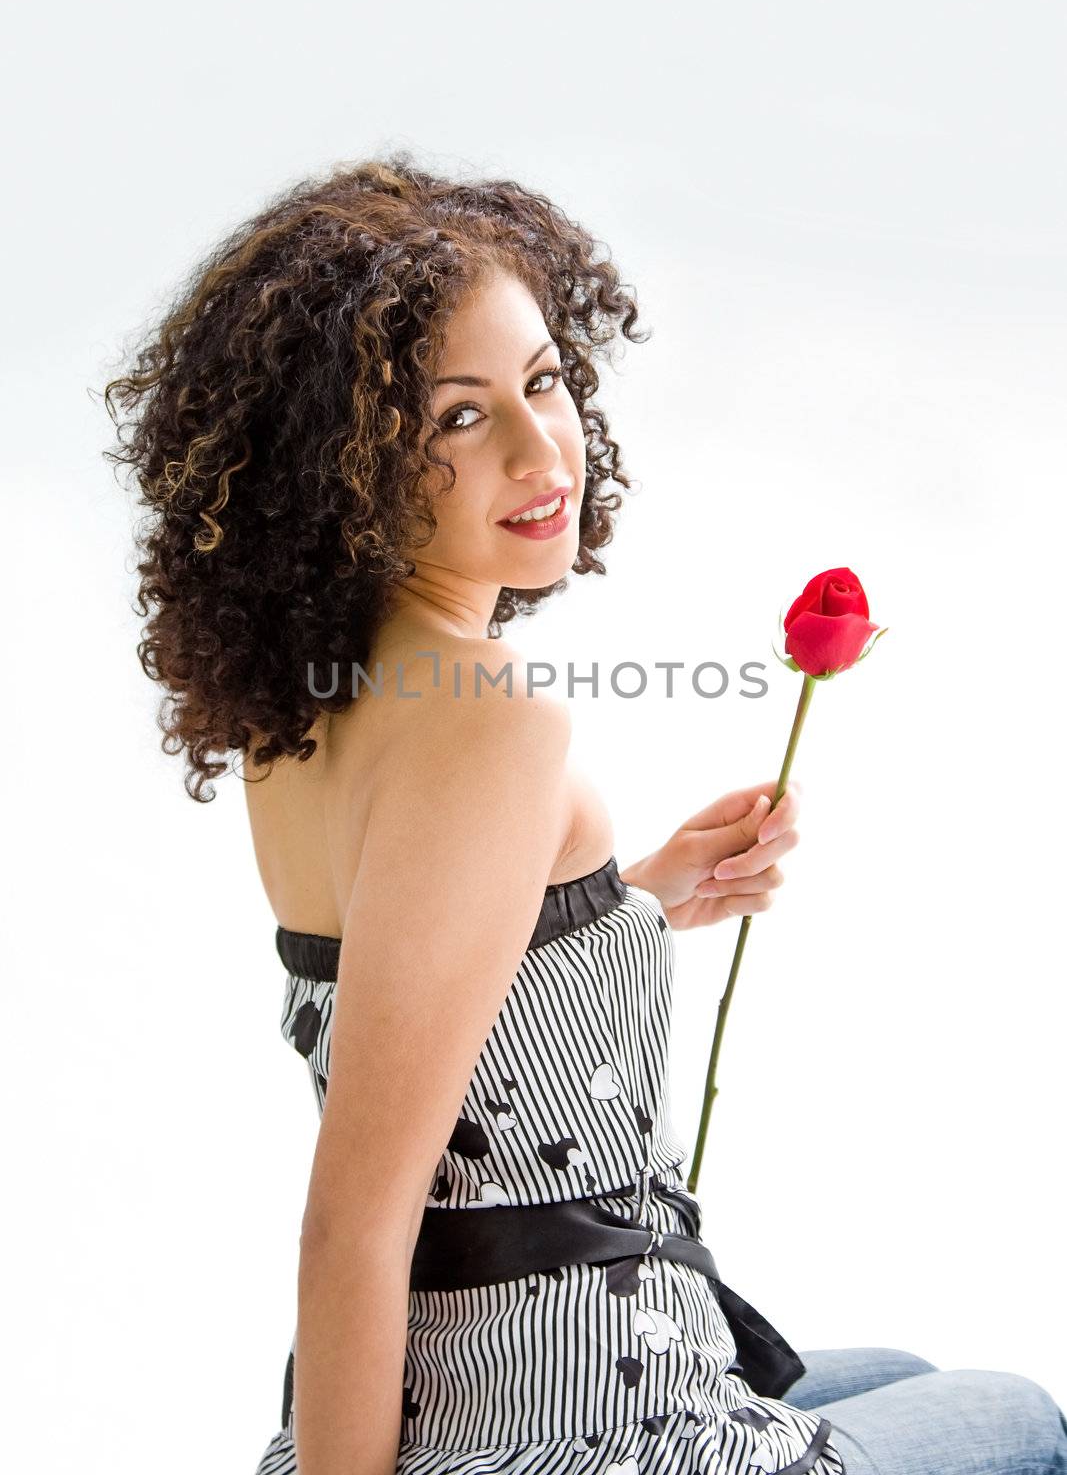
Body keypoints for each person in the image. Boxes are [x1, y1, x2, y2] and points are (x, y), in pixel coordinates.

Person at [103, 155, 1067, 1475]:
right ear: (346, 465)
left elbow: (432, 1000)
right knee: (1016, 1416)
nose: (537, 447)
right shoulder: (491, 720)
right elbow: (354, 1225)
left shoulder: (311, 708)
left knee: (899, 1378)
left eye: (542, 382)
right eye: (456, 418)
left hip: (490, 1374)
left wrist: (634, 901)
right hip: (573, 1428)